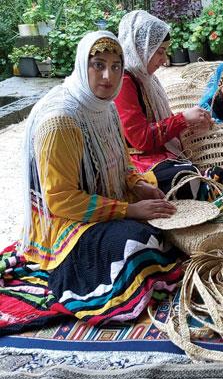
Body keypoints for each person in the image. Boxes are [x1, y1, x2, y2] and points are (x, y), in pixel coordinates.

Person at [19, 31, 181, 325]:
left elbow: (121, 162)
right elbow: (60, 201)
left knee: (181, 177)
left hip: (107, 197)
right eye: (98, 65)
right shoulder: (60, 122)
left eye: (116, 66)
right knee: (139, 242)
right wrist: (129, 210)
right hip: (69, 225)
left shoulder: (104, 107)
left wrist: (138, 185)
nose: (108, 76)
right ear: (83, 65)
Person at [115, 10, 223, 199]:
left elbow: (158, 121)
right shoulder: (124, 81)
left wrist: (187, 122)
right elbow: (140, 139)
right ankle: (200, 187)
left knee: (198, 169)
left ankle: (201, 186)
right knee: (183, 175)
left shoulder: (144, 78)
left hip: (153, 154)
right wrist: (182, 119)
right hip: (135, 161)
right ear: (141, 48)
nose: (164, 59)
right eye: (159, 51)